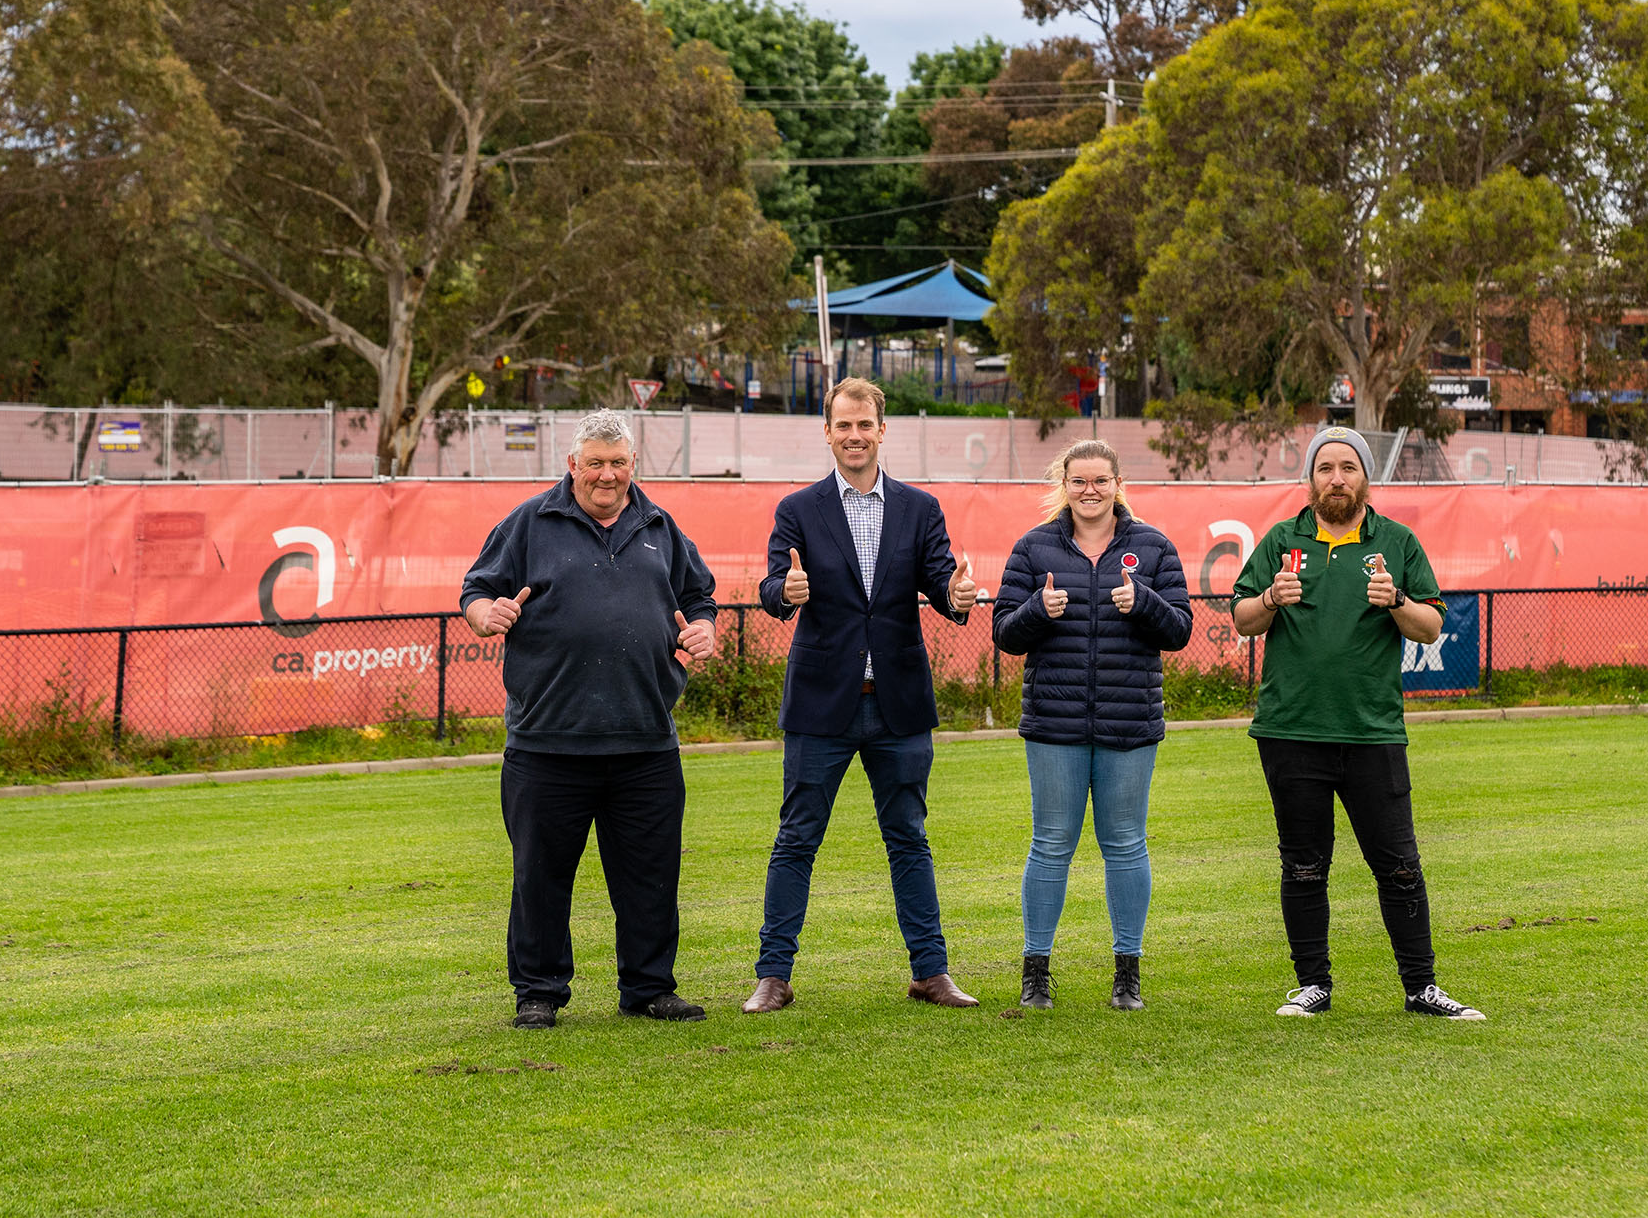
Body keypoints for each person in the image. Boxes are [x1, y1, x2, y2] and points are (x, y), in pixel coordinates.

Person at [459, 409, 720, 1030]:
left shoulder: (660, 524)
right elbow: (476, 590)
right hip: (548, 743)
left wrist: (704, 627)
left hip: (647, 741)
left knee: (651, 877)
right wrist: (483, 615)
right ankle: (540, 993)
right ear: (572, 465)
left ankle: (649, 987)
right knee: (540, 880)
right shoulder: (529, 523)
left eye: (619, 463)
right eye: (595, 463)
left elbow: (698, 595)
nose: (608, 475)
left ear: (633, 465)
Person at [1231, 423, 1485, 1021]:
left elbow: (1430, 625)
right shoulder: (1281, 540)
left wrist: (1396, 601)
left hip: (1371, 733)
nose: (1336, 478)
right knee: (1303, 863)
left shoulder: (1395, 542)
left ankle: (1421, 987)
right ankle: (1311, 984)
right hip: (1291, 730)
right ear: (1311, 477)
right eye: (1326, 468)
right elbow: (1242, 619)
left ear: (1367, 478)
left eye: (1348, 468)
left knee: (1398, 863)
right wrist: (1271, 598)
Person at [743, 376, 982, 1014]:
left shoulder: (919, 508)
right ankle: (773, 975)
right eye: (842, 425)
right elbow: (772, 586)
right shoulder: (798, 509)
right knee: (797, 837)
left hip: (898, 703)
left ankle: (931, 972)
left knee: (908, 836)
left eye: (864, 425)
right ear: (827, 432)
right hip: (822, 703)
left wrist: (956, 598)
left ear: (882, 430)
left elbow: (940, 582)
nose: (854, 436)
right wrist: (783, 593)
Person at [993, 440, 1191, 1011]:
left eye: (1100, 480)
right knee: (1051, 844)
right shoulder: (1034, 548)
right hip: (1055, 726)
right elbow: (1004, 633)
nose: (1089, 491)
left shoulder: (1152, 548)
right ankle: (1036, 974)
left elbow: (1179, 629)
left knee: (1126, 844)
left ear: (1117, 483)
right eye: (1079, 481)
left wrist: (1145, 603)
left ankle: (1127, 975)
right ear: (1064, 484)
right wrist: (1038, 611)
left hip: (1129, 725)